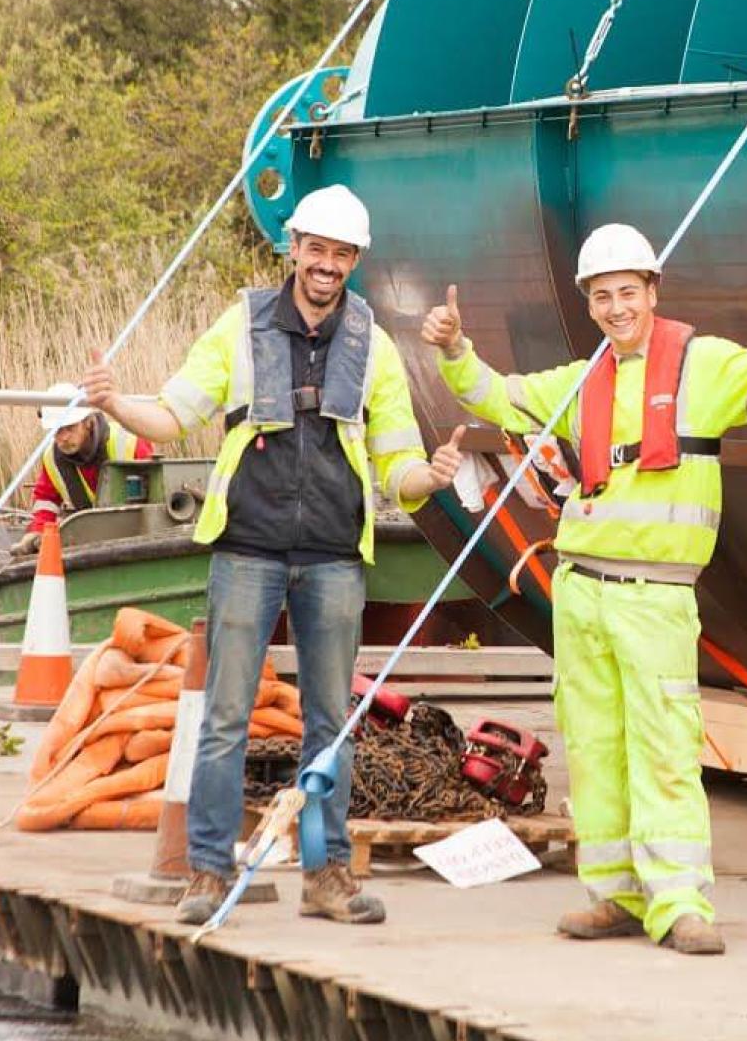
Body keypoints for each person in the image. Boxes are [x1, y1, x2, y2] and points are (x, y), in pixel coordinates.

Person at [420, 222, 747, 955]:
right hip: (581, 592)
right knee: (595, 747)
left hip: (656, 597)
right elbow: (497, 396)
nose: (616, 308)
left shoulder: (704, 366)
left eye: (627, 292)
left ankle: (680, 904)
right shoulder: (582, 381)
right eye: (602, 296)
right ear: (590, 303)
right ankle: (613, 895)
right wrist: (453, 349)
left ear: (652, 291)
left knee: (665, 746)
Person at [81, 184, 465, 926]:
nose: (327, 264)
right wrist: (115, 404)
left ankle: (327, 877)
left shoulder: (375, 345)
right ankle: (207, 872)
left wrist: (431, 478)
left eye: (342, 254)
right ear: (294, 248)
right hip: (247, 549)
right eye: (316, 249)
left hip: (333, 557)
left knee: (331, 723)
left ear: (355, 260)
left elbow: (398, 466)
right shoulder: (241, 326)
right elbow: (174, 414)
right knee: (226, 718)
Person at [13, 384, 154, 556]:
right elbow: (46, 500)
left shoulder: (129, 442)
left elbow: (156, 493)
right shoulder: (52, 459)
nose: (64, 437)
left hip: (137, 536)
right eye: (57, 430)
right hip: (89, 540)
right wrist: (37, 531)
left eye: (70, 427)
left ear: (88, 422)